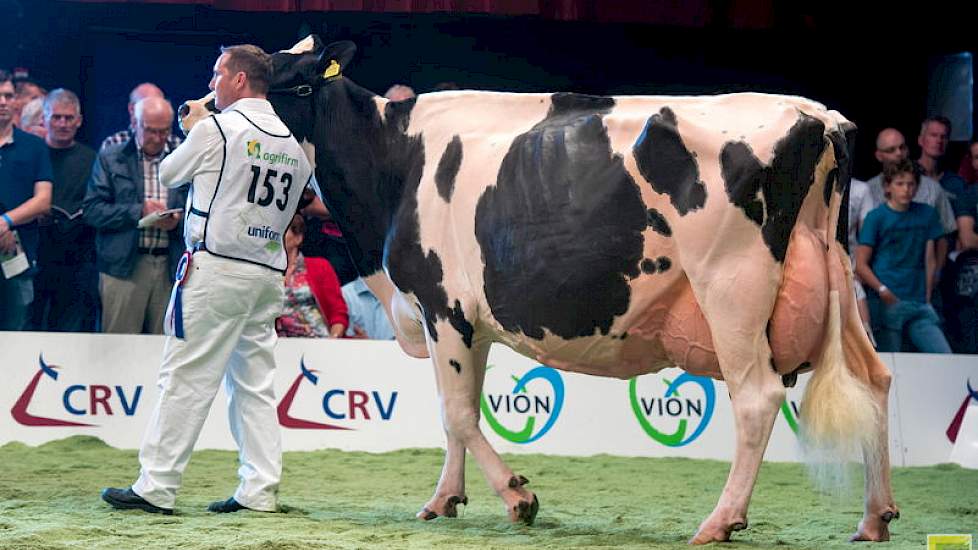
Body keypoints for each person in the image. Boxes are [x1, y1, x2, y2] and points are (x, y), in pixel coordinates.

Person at [101, 43, 315, 516]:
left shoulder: (217, 128)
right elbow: (299, 197)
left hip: (217, 268)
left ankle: (156, 486)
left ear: (240, 80)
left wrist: (193, 126)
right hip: (266, 275)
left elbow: (170, 171)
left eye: (218, 73)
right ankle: (259, 490)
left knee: (185, 377)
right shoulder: (292, 142)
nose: (212, 81)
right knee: (255, 385)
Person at [83, 96, 187, 334]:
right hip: (123, 266)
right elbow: (92, 210)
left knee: (165, 347)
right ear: (135, 124)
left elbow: (200, 207)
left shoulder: (182, 157)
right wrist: (138, 211)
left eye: (164, 131)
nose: (158, 138)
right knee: (119, 346)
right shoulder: (112, 156)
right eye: (151, 131)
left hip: (170, 265)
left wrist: (178, 221)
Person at [856, 159, 951, 353]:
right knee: (890, 362)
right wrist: (882, 290)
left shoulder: (927, 213)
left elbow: (937, 248)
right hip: (887, 301)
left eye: (911, 184)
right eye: (900, 184)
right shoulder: (876, 217)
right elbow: (860, 263)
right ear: (887, 186)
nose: (906, 189)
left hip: (919, 301)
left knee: (944, 356)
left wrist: (934, 279)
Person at [29, 89, 98, 331]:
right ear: (43, 119)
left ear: (79, 121)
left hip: (77, 257)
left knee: (68, 330)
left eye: (69, 118)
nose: (62, 123)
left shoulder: (92, 158)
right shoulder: (33, 154)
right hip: (35, 252)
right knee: (30, 323)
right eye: (56, 117)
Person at [0, 69, 53, 330]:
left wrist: (5, 222)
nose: (3, 102)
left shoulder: (34, 146)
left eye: (8, 96)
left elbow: (43, 200)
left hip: (17, 260)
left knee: (17, 334)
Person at [276, 213, 348, 338]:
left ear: (298, 238)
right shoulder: (268, 272)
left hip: (319, 340)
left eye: (283, 230)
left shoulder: (320, 266)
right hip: (279, 344)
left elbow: (338, 313)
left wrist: (333, 341)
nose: (276, 236)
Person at [101, 82, 182, 154]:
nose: (157, 139)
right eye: (149, 106)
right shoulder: (113, 144)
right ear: (132, 110)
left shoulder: (178, 147)